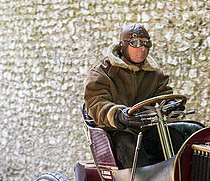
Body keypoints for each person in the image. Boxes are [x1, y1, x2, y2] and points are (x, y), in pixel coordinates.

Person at [84, 24, 200, 168]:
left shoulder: (155, 73)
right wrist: (119, 115)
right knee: (128, 147)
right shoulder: (102, 72)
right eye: (136, 43)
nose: (143, 48)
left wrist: (171, 105)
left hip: (146, 129)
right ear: (123, 46)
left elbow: (164, 94)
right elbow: (95, 103)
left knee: (174, 138)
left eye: (146, 43)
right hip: (116, 131)